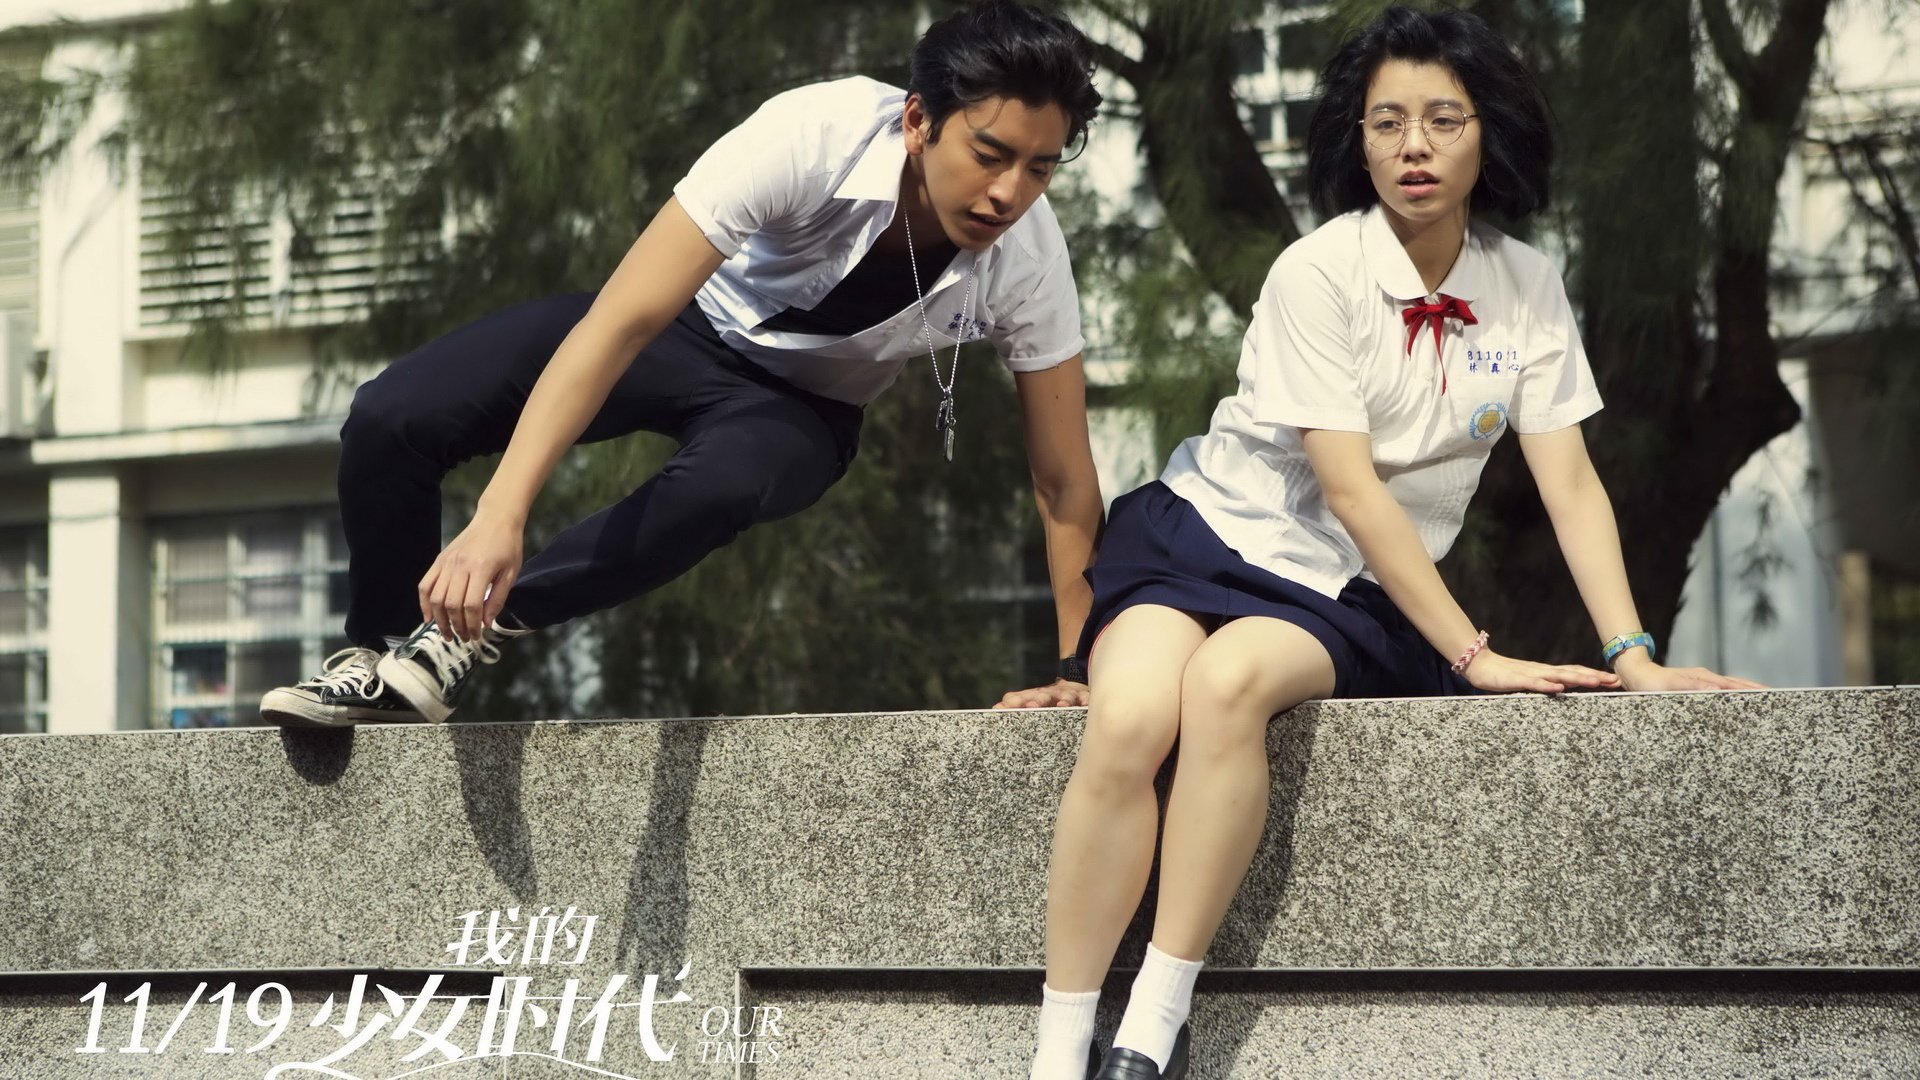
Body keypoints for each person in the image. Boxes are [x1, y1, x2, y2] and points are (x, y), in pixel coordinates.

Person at [1028, 8, 1762, 1079]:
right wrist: (1475, 655)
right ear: (1357, 140)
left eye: (1443, 119)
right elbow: (1350, 485)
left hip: (1345, 587)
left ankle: (1150, 1029)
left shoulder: (1526, 286)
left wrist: (1632, 655)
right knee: (1132, 716)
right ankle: (1055, 1051)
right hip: (1204, 535)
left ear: (1489, 133)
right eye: (1387, 123)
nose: (1414, 146)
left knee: (1228, 685)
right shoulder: (1317, 271)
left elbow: (1569, 482)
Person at [259, 0, 1106, 726]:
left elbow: (1064, 481)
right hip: (678, 331)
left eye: (1040, 168)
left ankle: (454, 640)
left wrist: (1078, 670)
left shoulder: (1028, 262)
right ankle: (380, 656)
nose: (1009, 192)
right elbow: (620, 323)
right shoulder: (812, 136)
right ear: (918, 121)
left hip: (801, 410)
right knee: (393, 415)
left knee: (721, 485)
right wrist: (499, 515)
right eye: (989, 155)